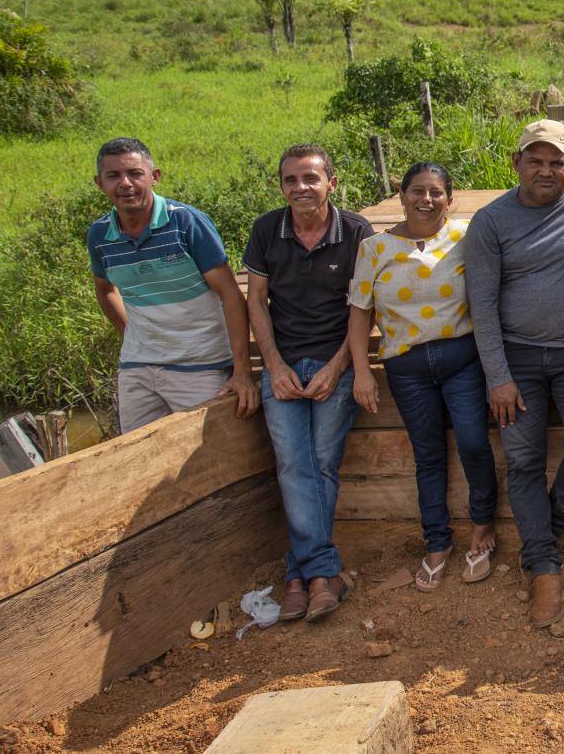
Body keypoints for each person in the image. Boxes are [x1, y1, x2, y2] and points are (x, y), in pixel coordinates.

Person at [464, 119, 564, 629]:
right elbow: (481, 305)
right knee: (523, 459)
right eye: (536, 160)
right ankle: (543, 564)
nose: (546, 170)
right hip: (517, 358)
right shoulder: (490, 222)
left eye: (557, 161)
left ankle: (547, 527)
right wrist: (497, 376)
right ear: (517, 163)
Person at [348, 161, 498, 593]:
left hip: (462, 357)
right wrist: (362, 371)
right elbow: (360, 315)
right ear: (402, 195)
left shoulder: (465, 236)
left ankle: (483, 528)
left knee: (473, 442)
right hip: (406, 367)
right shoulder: (374, 249)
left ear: (450, 199)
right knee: (428, 454)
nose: (426, 199)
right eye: (417, 191)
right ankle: (436, 542)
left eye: (435, 192)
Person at [243, 145, 373, 623]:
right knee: (293, 464)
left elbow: (363, 307)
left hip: (334, 363)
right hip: (284, 365)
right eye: (291, 180)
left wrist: (339, 367)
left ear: (331, 184)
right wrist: (273, 366)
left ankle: (300, 574)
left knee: (320, 463)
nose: (301, 188)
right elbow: (256, 302)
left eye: (310, 179)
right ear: (281, 186)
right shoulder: (266, 230)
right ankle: (322, 573)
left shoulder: (357, 230)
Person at [86, 137, 257, 432]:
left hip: (200, 365)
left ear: (154, 177)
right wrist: (133, 336)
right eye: (113, 176)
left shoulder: (187, 223)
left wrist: (242, 371)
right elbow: (105, 290)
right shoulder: (100, 235)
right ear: (99, 183)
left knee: (206, 462)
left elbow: (231, 296)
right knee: (136, 458)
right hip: (138, 368)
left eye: (135, 174)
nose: (125, 184)